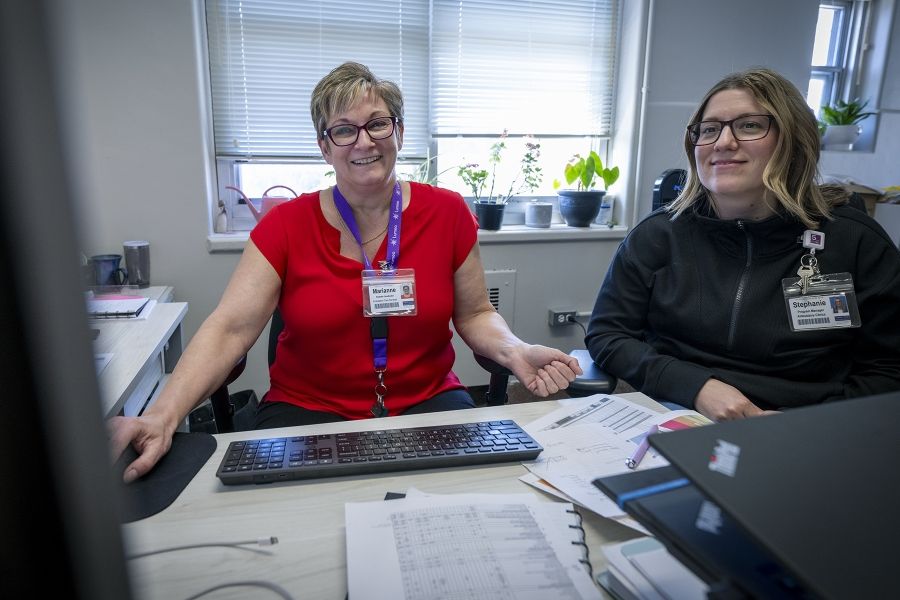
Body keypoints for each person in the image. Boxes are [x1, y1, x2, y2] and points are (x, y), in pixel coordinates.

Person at [109, 62, 581, 481]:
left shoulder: (449, 213)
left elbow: (476, 314)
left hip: (427, 401)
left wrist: (516, 351)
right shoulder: (286, 227)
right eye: (344, 130)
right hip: (306, 409)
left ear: (398, 131)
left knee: (472, 501)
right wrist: (163, 416)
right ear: (324, 146)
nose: (364, 141)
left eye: (378, 124)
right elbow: (230, 328)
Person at [585, 67, 900, 422]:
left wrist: (809, 425)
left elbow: (888, 368)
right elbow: (608, 334)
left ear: (793, 140)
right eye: (709, 129)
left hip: (811, 427)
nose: (723, 142)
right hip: (680, 414)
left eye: (749, 125)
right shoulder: (659, 235)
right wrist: (699, 387)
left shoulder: (855, 241)